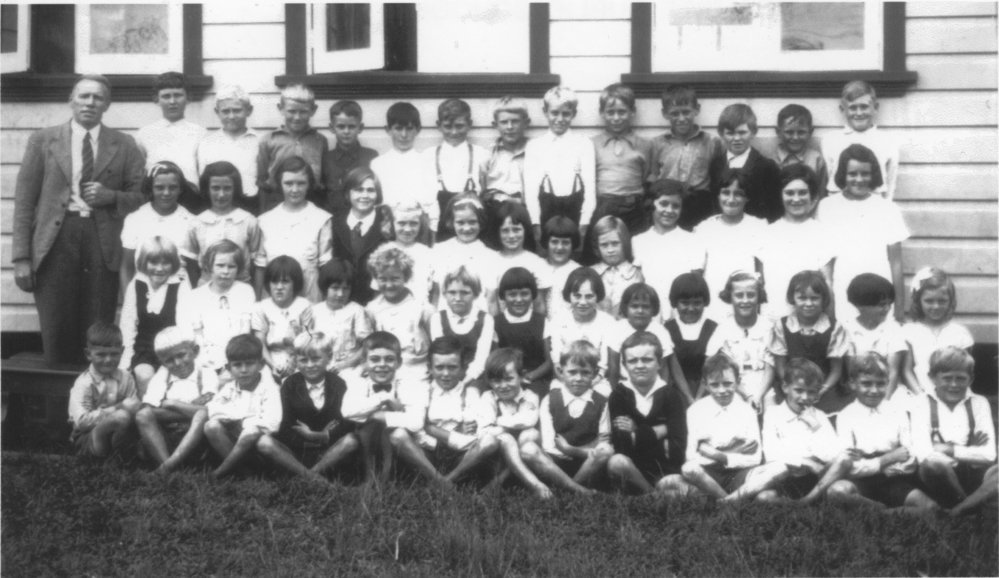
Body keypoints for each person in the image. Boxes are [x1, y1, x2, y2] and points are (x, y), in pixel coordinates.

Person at [12, 74, 146, 364]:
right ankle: (58, 406)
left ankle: (93, 405)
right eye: (83, 96)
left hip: (103, 240)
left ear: (107, 104)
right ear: (70, 101)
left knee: (97, 325)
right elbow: (24, 202)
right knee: (56, 324)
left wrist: (110, 196)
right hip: (56, 240)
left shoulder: (124, 144)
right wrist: (21, 258)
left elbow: (140, 196)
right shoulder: (43, 140)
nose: (90, 102)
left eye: (98, 97)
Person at [828, 352, 937, 513]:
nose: (874, 390)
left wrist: (897, 467)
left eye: (880, 384)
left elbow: (910, 454)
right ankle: (889, 512)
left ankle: (879, 513)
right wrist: (884, 461)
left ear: (887, 383)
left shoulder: (898, 412)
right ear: (852, 383)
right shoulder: (845, 416)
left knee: (930, 508)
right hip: (861, 480)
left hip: (893, 478)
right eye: (866, 383)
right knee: (837, 492)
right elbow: (849, 466)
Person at [817, 143, 908, 321]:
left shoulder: (887, 209)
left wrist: (899, 310)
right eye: (852, 173)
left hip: (881, 290)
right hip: (844, 286)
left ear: (873, 174)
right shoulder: (827, 207)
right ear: (843, 173)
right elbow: (825, 263)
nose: (859, 179)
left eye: (865, 173)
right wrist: (829, 305)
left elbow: (896, 263)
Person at [679, 354, 786, 501]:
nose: (722, 390)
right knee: (687, 470)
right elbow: (691, 457)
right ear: (705, 384)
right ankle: (735, 500)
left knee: (780, 468)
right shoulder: (695, 410)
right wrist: (736, 450)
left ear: (738, 381)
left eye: (728, 383)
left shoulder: (747, 411)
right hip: (708, 476)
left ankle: (726, 502)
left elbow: (754, 458)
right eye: (715, 385)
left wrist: (718, 455)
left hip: (740, 474)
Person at [257, 332, 358, 482]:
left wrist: (316, 436)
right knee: (264, 442)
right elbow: (286, 426)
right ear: (296, 360)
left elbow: (343, 424)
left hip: (329, 452)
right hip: (296, 451)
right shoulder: (290, 385)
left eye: (316, 359)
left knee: (351, 440)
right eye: (303, 360)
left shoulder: (338, 384)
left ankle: (308, 476)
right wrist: (307, 440)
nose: (310, 365)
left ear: (328, 358)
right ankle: (314, 478)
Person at [912, 347, 998, 516]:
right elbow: (924, 454)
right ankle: (972, 506)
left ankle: (959, 510)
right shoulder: (921, 403)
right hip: (941, 478)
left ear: (971, 379)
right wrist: (970, 452)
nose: (954, 385)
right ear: (932, 378)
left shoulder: (979, 403)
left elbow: (989, 455)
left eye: (960, 378)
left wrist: (949, 449)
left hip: (975, 476)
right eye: (947, 378)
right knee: (932, 466)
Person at [522, 340, 612, 494]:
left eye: (585, 372)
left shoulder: (601, 402)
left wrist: (571, 450)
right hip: (554, 464)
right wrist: (575, 451)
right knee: (528, 449)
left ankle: (566, 488)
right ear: (560, 370)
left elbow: (603, 441)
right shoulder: (551, 399)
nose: (578, 378)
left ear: (595, 373)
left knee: (606, 450)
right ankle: (578, 490)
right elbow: (549, 445)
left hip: (585, 464)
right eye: (572, 372)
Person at [340, 331, 431, 483]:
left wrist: (378, 415)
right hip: (368, 451)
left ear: (399, 362)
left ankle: (439, 480)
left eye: (389, 359)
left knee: (396, 431)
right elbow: (346, 411)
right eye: (375, 359)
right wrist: (383, 398)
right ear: (364, 362)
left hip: (407, 452)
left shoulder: (411, 382)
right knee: (369, 427)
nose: (382, 365)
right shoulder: (358, 382)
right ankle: (372, 480)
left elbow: (416, 422)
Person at [757, 358, 852, 504]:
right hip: (787, 477)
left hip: (817, 479)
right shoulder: (773, 414)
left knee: (843, 460)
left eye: (811, 392)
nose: (805, 397)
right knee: (764, 498)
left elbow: (833, 454)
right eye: (799, 390)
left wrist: (815, 426)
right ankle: (803, 502)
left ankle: (807, 500)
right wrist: (805, 462)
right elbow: (771, 455)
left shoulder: (818, 416)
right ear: (785, 387)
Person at [606, 332, 688, 496]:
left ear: (659, 363)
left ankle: (647, 495)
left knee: (680, 487)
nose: (640, 365)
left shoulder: (672, 395)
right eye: (633, 361)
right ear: (624, 364)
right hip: (632, 470)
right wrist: (662, 430)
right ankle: (651, 493)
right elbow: (622, 444)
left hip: (665, 470)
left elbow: (677, 448)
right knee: (616, 462)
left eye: (647, 360)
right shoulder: (619, 395)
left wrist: (637, 433)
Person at [414, 338, 498, 486]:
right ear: (430, 367)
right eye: (439, 368)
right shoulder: (423, 390)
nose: (445, 373)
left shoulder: (470, 392)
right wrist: (452, 431)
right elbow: (417, 425)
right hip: (429, 452)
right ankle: (435, 477)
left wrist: (430, 427)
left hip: (460, 457)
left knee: (489, 442)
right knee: (401, 436)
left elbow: (474, 431)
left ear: (462, 368)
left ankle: (448, 480)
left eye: (452, 367)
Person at [756, 164, 834, 320]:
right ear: (780, 195)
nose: (796, 199)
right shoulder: (766, 233)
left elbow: (827, 285)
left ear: (812, 195)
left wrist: (830, 323)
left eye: (803, 193)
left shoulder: (822, 233)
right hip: (773, 318)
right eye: (789, 193)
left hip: (810, 322)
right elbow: (760, 283)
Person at [135, 326, 218, 473]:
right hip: (167, 437)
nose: (178, 363)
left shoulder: (206, 373)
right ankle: (167, 464)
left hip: (197, 437)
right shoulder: (162, 376)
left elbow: (211, 412)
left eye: (181, 355)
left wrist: (173, 404)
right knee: (142, 415)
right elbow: (148, 410)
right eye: (169, 360)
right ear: (161, 362)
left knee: (203, 416)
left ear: (195, 350)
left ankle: (167, 468)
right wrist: (190, 411)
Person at [475, 348, 554, 499]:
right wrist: (504, 429)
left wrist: (498, 422)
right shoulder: (488, 397)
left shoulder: (530, 396)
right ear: (489, 381)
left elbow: (528, 420)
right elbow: (484, 431)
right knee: (506, 439)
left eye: (509, 379)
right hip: (498, 460)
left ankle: (499, 483)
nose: (503, 385)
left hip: (526, 453)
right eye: (496, 381)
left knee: (528, 434)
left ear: (522, 377)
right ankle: (536, 485)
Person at [767, 270, 850, 413]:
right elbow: (780, 366)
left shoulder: (834, 327)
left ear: (823, 299)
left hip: (823, 390)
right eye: (802, 298)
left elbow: (836, 370)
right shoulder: (782, 326)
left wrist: (820, 391)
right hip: (792, 389)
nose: (808, 303)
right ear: (793, 298)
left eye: (814, 298)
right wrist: (793, 390)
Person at [119, 236, 192, 395]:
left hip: (172, 350)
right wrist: (124, 364)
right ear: (144, 263)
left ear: (173, 264)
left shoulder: (180, 285)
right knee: (144, 376)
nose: (159, 268)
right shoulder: (136, 284)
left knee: (169, 382)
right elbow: (128, 326)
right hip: (144, 350)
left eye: (165, 263)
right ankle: (148, 412)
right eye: (153, 263)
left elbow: (185, 327)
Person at [254, 155, 333, 303]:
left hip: (309, 295)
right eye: (288, 183)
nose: (295, 189)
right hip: (273, 298)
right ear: (280, 183)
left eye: (301, 183)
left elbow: (326, 267)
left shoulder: (321, 219)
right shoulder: (266, 220)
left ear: (309, 184)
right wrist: (258, 302)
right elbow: (260, 266)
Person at [204, 334, 282, 478]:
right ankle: (244, 473)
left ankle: (220, 472)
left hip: (260, 446)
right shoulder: (229, 388)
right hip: (232, 444)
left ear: (261, 364)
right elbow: (214, 411)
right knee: (211, 426)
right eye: (237, 365)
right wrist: (243, 417)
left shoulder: (270, 389)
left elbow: (272, 422)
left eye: (249, 363)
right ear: (228, 367)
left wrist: (238, 419)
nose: (244, 370)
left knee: (251, 431)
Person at [524, 86, 596, 242]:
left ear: (574, 114)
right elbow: (531, 193)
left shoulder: (583, 144)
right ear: (545, 112)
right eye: (554, 113)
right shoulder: (535, 146)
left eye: (566, 114)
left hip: (575, 213)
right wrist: (536, 226)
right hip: (545, 214)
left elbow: (590, 190)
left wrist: (583, 227)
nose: (560, 119)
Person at [647, 85, 725, 229]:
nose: (681, 118)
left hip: (700, 205)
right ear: (665, 114)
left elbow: (718, 180)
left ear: (697, 109)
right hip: (668, 206)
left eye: (686, 112)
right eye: (675, 113)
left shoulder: (711, 142)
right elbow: (653, 177)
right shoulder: (657, 144)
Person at [694, 169, 767, 319]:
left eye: (738, 194)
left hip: (746, 305)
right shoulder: (704, 229)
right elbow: (697, 275)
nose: (731, 199)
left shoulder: (759, 227)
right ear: (718, 195)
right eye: (726, 193)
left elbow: (762, 273)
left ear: (747, 198)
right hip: (712, 307)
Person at [120, 161, 198, 289]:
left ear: (181, 189)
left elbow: (193, 270)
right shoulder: (135, 219)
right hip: (143, 290)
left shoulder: (191, 222)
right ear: (151, 188)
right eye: (159, 187)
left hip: (179, 291)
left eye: (172, 187)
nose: (166, 193)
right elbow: (127, 267)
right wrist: (129, 301)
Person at [590, 83, 653, 239]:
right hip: (602, 206)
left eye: (622, 112)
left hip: (634, 208)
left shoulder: (644, 145)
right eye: (610, 112)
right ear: (602, 113)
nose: (616, 118)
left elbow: (647, 176)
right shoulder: (592, 144)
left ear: (632, 112)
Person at [67, 322, 141, 456]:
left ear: (122, 352)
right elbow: (83, 422)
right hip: (88, 437)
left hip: (119, 432)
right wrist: (118, 408)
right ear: (88, 354)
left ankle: (120, 458)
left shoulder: (127, 378)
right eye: (101, 355)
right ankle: (106, 458)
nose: (108, 360)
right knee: (121, 416)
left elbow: (133, 407)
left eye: (114, 354)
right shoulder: (84, 383)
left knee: (128, 418)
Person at [705, 271, 774, 410]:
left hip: (765, 387)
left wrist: (759, 395)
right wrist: (746, 396)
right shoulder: (723, 329)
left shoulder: (768, 327)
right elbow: (711, 363)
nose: (745, 300)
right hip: (734, 387)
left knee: (770, 408)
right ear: (730, 297)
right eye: (739, 295)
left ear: (759, 296)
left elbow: (770, 366)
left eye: (751, 295)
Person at [183, 240, 255, 374]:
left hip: (237, 358)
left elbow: (244, 332)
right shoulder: (195, 297)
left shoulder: (245, 292)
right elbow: (195, 335)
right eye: (220, 266)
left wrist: (231, 361)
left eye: (231, 266)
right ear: (210, 267)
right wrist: (205, 361)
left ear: (238, 268)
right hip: (205, 359)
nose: (226, 271)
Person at [632, 179, 706, 310]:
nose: (669, 210)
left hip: (681, 309)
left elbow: (695, 283)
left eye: (676, 206)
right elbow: (638, 282)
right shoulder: (639, 241)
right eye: (664, 204)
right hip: (651, 309)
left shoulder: (692, 241)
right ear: (652, 204)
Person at [185, 161, 262, 285]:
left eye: (227, 188)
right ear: (207, 189)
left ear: (235, 189)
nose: (221, 194)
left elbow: (256, 262)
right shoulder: (197, 223)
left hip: (240, 287)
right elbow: (191, 263)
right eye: (215, 188)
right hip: (206, 288)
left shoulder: (248, 221)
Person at [366, 245, 434, 385]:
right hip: (383, 375)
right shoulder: (371, 309)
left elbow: (436, 344)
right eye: (383, 279)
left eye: (395, 278)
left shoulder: (422, 308)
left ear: (406, 277)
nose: (389, 285)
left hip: (418, 374)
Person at [902, 267, 974, 395]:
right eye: (929, 301)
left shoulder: (959, 332)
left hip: (954, 393)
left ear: (950, 301)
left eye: (942, 301)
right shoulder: (909, 332)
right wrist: (921, 395)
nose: (936, 306)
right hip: (920, 393)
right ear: (918, 301)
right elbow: (907, 371)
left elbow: (966, 370)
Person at [257, 84, 327, 212]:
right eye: (292, 111)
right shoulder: (269, 140)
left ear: (313, 110)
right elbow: (262, 180)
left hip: (312, 201)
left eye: (303, 112)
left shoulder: (319, 141)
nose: (297, 117)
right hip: (277, 201)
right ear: (281, 108)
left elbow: (323, 179)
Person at [823, 80, 899, 199]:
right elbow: (829, 178)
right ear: (843, 110)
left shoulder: (888, 141)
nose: (858, 113)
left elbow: (890, 183)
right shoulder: (831, 141)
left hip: (874, 209)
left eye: (864, 107)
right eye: (853, 108)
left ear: (875, 107)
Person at [136, 71, 206, 198]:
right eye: (166, 96)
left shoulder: (200, 133)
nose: (172, 101)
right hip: (156, 198)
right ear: (156, 100)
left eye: (178, 95)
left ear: (188, 98)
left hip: (191, 197)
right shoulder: (145, 134)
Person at [428, 98, 488, 242]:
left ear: (469, 125)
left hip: (473, 228)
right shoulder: (428, 156)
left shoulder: (482, 155)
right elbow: (427, 200)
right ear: (439, 126)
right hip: (440, 228)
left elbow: (486, 194)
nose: (454, 132)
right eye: (448, 126)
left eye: (459, 126)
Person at [328, 168, 390, 305]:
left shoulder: (386, 222)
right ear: (347, 193)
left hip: (377, 300)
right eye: (358, 190)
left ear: (377, 193)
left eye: (370, 190)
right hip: (343, 300)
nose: (365, 195)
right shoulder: (335, 223)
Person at [371, 102, 437, 232]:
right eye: (398, 128)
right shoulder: (378, 164)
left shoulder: (427, 162)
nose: (404, 135)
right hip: (386, 229)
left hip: (417, 229)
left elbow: (431, 202)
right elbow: (376, 203)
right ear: (388, 130)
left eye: (409, 128)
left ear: (418, 130)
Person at [842, 273, 908, 400]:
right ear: (860, 305)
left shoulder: (893, 329)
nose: (887, 308)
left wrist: (884, 403)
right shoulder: (847, 330)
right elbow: (851, 372)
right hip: (859, 393)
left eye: (890, 304)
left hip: (888, 392)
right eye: (881, 304)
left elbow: (893, 372)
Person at [197, 85, 261, 213]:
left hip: (252, 205)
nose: (231, 116)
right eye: (226, 111)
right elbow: (204, 181)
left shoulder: (260, 141)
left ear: (249, 110)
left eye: (237, 110)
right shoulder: (208, 143)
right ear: (217, 112)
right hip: (217, 206)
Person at [713, 103, 781, 223]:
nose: (737, 138)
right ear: (721, 133)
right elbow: (713, 204)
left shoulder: (766, 167)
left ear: (753, 132)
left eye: (742, 132)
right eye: (730, 133)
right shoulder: (715, 165)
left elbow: (775, 208)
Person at [493, 267, 553, 399]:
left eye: (524, 294)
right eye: (512, 295)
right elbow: (495, 361)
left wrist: (528, 377)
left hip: (536, 379)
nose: (519, 299)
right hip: (505, 380)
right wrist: (510, 379)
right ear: (503, 296)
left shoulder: (542, 322)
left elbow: (549, 362)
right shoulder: (496, 323)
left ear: (533, 295)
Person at [429, 266, 494, 388]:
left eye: (465, 293)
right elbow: (441, 353)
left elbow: (481, 359)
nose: (458, 298)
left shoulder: (485, 319)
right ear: (444, 294)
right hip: (445, 375)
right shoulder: (437, 318)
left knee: (472, 397)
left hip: (475, 378)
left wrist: (465, 382)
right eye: (452, 292)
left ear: (475, 294)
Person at [606, 283, 679, 389]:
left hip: (653, 384)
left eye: (645, 307)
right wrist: (615, 394)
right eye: (634, 306)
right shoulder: (617, 330)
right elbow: (613, 369)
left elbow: (664, 370)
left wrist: (661, 392)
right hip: (625, 384)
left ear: (653, 309)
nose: (640, 311)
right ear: (625, 307)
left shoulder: (660, 331)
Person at [549, 267, 616, 382]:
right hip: (565, 381)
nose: (583, 302)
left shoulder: (608, 322)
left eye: (589, 296)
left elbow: (604, 365)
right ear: (569, 295)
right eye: (577, 296)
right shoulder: (558, 320)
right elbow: (557, 361)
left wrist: (591, 384)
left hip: (597, 381)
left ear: (597, 296)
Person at [251, 256, 311, 382]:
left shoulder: (304, 306)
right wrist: (272, 365)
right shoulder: (261, 307)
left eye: (285, 282)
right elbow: (260, 342)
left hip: (299, 359)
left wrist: (294, 363)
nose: (279, 287)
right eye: (274, 282)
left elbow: (307, 340)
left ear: (295, 283)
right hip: (269, 360)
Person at [307, 259, 373, 373]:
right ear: (325, 287)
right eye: (335, 288)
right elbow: (305, 345)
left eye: (345, 288)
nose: (340, 294)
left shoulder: (357, 311)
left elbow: (367, 346)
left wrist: (345, 364)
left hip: (348, 368)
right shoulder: (314, 311)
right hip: (318, 369)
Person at [482, 96, 530, 240]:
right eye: (504, 122)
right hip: (495, 213)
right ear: (495, 125)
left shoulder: (535, 151)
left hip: (526, 213)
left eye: (515, 121)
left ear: (526, 123)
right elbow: (481, 189)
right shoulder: (488, 154)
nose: (509, 127)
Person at [663, 272, 716, 404]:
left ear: (705, 302)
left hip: (708, 390)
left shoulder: (713, 328)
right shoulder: (667, 329)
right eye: (685, 303)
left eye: (697, 303)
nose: (691, 308)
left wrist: (698, 399)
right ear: (675, 303)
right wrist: (688, 398)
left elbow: (712, 369)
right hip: (676, 392)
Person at [492, 201, 551, 315]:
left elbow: (539, 304)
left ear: (525, 230)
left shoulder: (536, 263)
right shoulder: (492, 261)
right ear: (498, 232)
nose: (511, 236)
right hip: (502, 327)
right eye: (505, 230)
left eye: (516, 230)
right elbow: (492, 302)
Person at [322, 100, 378, 216]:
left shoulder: (371, 157)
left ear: (360, 127)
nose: (346, 131)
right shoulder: (326, 159)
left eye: (351, 126)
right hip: (333, 220)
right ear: (331, 128)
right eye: (341, 127)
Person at [761, 104, 828, 199]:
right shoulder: (769, 161)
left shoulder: (817, 160)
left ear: (811, 132)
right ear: (778, 132)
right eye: (789, 132)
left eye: (801, 132)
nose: (795, 137)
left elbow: (821, 195)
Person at [589, 215, 643, 319]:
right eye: (604, 245)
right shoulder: (591, 273)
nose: (610, 250)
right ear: (597, 246)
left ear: (625, 242)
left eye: (615, 243)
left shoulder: (637, 273)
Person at [541, 216, 583, 323]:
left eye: (565, 242)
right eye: (554, 242)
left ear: (573, 244)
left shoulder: (579, 272)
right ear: (546, 242)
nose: (560, 247)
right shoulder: (538, 267)